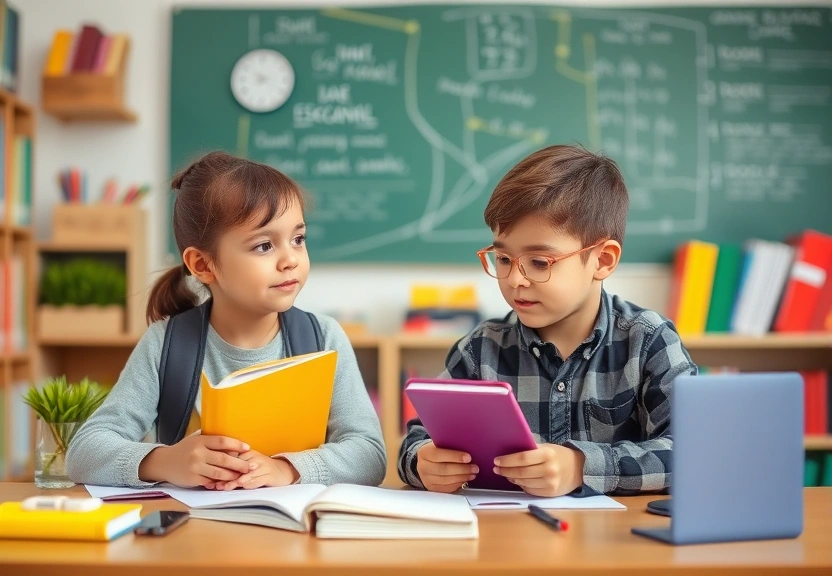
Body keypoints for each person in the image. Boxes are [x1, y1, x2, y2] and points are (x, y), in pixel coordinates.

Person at [67, 151, 386, 489]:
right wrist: (166, 461)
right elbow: (84, 452)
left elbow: (369, 455)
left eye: (298, 239)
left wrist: (286, 470)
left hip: (293, 534)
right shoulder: (164, 344)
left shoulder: (324, 338)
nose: (290, 259)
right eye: (264, 246)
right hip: (192, 534)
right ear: (203, 265)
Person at [398, 145, 696, 497]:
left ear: (602, 260)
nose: (515, 280)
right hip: (508, 541)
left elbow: (694, 451)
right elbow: (417, 439)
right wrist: (423, 463)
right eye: (504, 258)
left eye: (539, 262)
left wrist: (582, 466)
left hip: (615, 545)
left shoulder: (648, 342)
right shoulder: (480, 350)